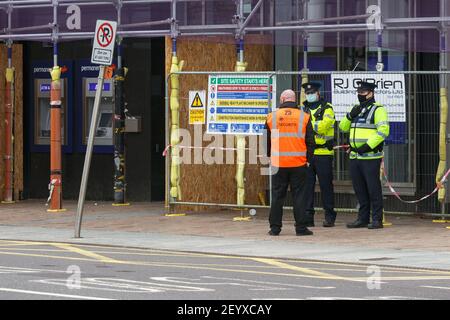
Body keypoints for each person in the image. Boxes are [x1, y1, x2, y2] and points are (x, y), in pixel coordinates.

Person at [339, 81, 390, 229]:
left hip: (370, 157)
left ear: (370, 93)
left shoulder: (378, 110)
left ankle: (377, 219)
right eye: (358, 92)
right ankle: (362, 218)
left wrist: (367, 146)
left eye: (362, 93)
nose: (359, 95)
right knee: (359, 189)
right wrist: (349, 116)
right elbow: (342, 127)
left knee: (373, 189)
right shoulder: (356, 109)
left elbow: (383, 131)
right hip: (355, 157)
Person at [265, 89, 316, 236]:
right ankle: (301, 228)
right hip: (298, 164)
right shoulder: (304, 117)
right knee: (299, 197)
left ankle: (275, 228)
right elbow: (311, 142)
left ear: (281, 100)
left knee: (277, 196)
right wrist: (308, 161)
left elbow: (264, 140)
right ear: (294, 100)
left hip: (278, 164)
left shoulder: (272, 117)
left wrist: (268, 156)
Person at [301, 82, 337, 228]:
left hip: (324, 153)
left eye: (312, 93)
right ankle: (308, 217)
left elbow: (324, 126)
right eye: (307, 93)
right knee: (307, 187)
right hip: (308, 154)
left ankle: (329, 216)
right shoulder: (303, 108)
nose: (309, 95)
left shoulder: (327, 108)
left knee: (326, 186)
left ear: (318, 93)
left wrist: (308, 125)